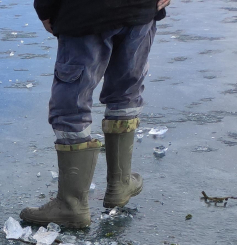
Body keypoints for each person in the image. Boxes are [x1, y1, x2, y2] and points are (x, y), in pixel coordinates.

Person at [20, 0, 171, 229]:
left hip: (86, 12)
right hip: (139, 10)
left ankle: (72, 204)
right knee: (126, 90)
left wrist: (46, 9)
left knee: (73, 99)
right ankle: (120, 184)